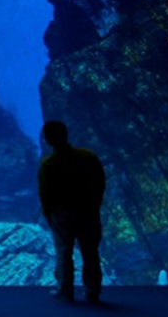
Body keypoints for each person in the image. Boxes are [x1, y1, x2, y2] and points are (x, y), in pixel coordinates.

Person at [38, 120, 106, 304]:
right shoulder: (88, 157)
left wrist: (48, 214)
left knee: (63, 251)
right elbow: (100, 183)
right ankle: (93, 290)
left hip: (62, 214)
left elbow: (45, 193)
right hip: (88, 212)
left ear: (47, 139)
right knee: (90, 252)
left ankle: (65, 289)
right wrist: (95, 204)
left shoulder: (48, 164)